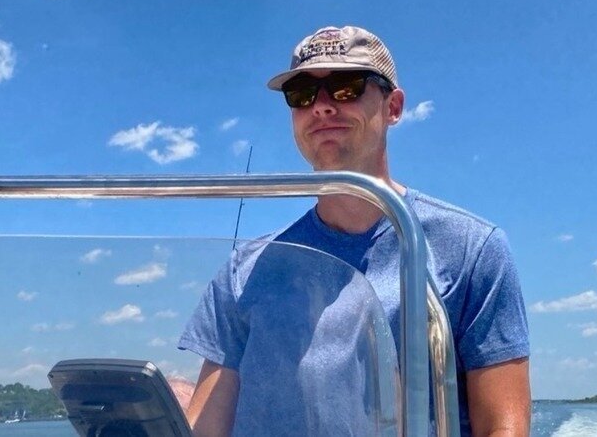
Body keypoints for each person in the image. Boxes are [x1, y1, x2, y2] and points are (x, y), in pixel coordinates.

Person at [177, 25, 530, 437]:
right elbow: (207, 427)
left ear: (393, 107)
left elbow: (503, 428)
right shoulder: (244, 271)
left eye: (346, 87)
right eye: (302, 94)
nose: (322, 107)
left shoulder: (472, 249)